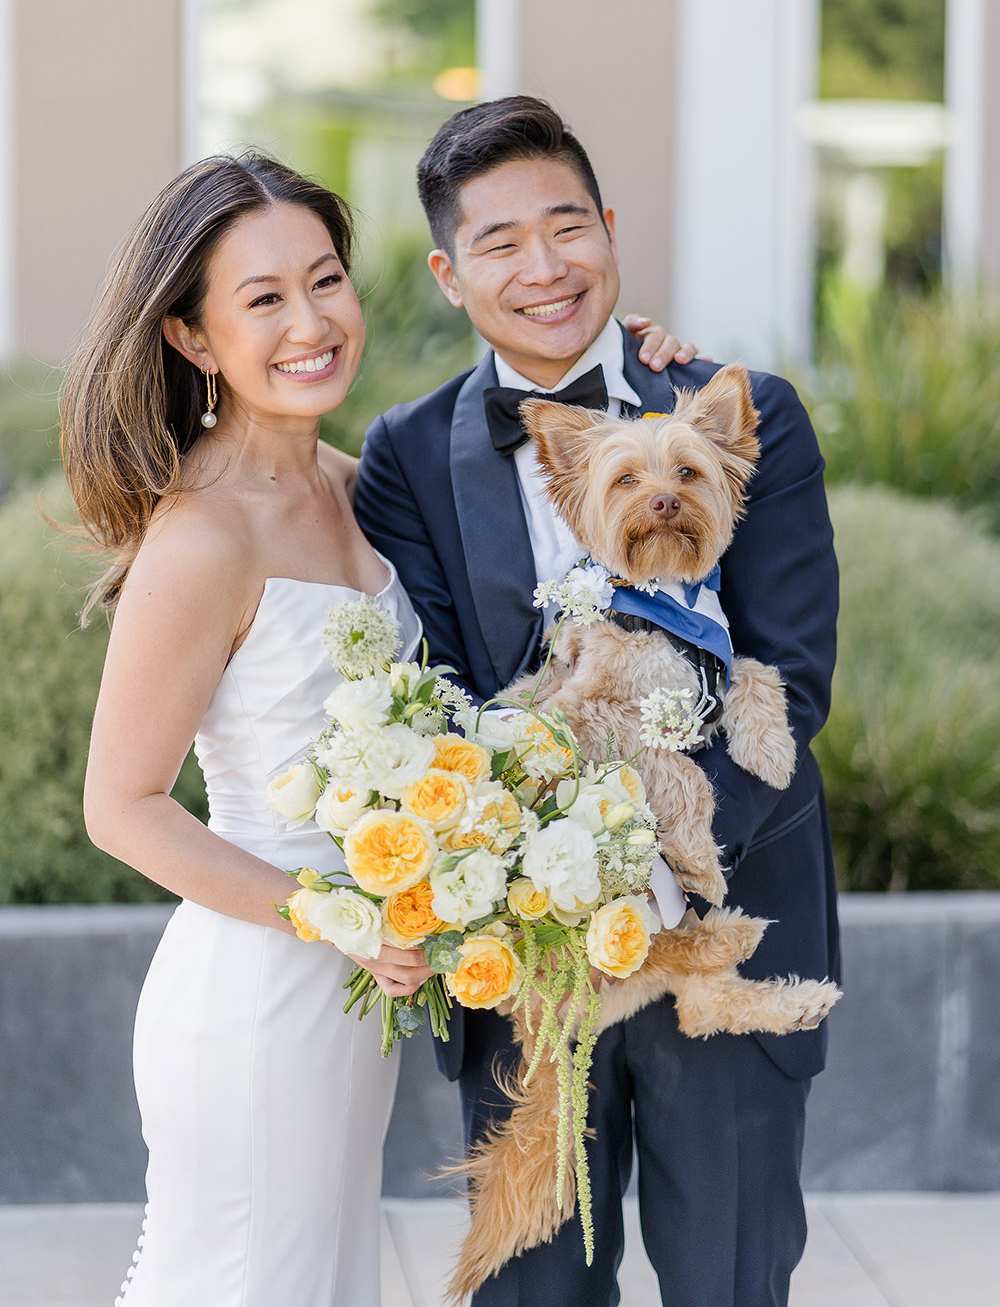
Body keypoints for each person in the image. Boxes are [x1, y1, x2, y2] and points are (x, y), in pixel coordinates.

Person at [61, 150, 685, 1306]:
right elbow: (121, 808)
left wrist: (636, 363)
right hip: (259, 981)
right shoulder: (202, 536)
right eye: (262, 300)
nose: (311, 321)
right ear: (194, 340)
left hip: (360, 987)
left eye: (326, 279)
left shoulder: (360, 485)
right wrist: (333, 918)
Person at [353, 95, 840, 1307]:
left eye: (565, 226)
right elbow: (433, 695)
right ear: (449, 274)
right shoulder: (406, 453)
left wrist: (650, 865)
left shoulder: (740, 412)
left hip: (727, 922)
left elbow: (792, 672)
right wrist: (535, 879)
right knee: (531, 1290)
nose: (542, 266)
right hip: (526, 966)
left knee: (729, 1281)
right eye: (500, 242)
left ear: (610, 231)